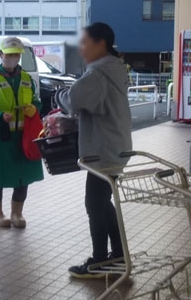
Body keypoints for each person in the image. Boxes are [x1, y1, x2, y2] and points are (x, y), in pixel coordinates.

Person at [55, 22, 132, 278]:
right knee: (102, 202)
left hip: (103, 150)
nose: (81, 47)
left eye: (85, 42)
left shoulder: (98, 72)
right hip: (114, 145)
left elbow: (73, 99)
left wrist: (58, 95)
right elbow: (95, 105)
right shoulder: (113, 68)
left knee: (94, 204)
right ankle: (119, 254)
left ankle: (99, 260)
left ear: (101, 44)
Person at [0, 37, 44, 228]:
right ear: (1, 55)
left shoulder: (26, 79)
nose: (13, 58)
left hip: (23, 136)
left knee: (22, 176)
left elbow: (36, 101)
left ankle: (17, 214)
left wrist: (34, 108)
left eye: (16, 55)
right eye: (9, 55)